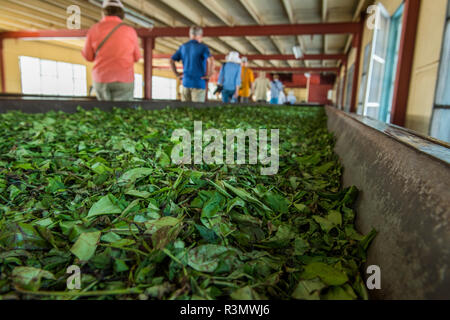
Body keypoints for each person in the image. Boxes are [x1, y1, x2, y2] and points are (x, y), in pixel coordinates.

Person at [82, 0, 141, 101]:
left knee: (104, 112)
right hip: (124, 79)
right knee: (122, 112)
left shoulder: (94, 29)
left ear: (104, 12)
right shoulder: (129, 31)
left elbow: (88, 56)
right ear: (122, 13)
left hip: (102, 79)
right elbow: (137, 57)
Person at [170, 26, 215, 103]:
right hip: (198, 83)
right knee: (197, 111)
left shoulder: (183, 47)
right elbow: (211, 60)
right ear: (200, 36)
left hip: (185, 83)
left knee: (185, 110)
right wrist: (209, 75)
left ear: (190, 35)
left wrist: (177, 74)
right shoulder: (203, 47)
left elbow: (171, 60)